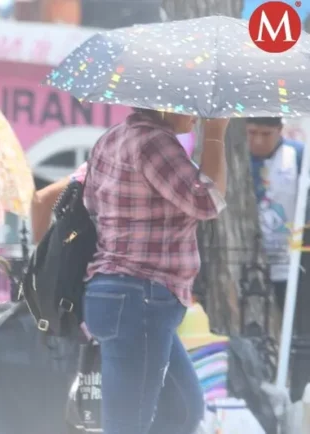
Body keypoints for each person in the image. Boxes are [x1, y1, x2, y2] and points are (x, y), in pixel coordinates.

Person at [82, 108, 228, 434]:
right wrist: (216, 134)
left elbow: (90, 203)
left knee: (183, 408)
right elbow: (207, 202)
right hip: (139, 298)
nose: (196, 114)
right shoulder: (155, 142)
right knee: (129, 425)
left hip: (115, 293)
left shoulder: (112, 138)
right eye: (189, 105)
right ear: (164, 105)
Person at [247, 117, 305, 310]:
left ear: (279, 130)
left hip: (288, 258)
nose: (258, 141)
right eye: (252, 133)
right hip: (245, 260)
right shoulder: (237, 158)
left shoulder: (298, 155)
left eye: (265, 134)